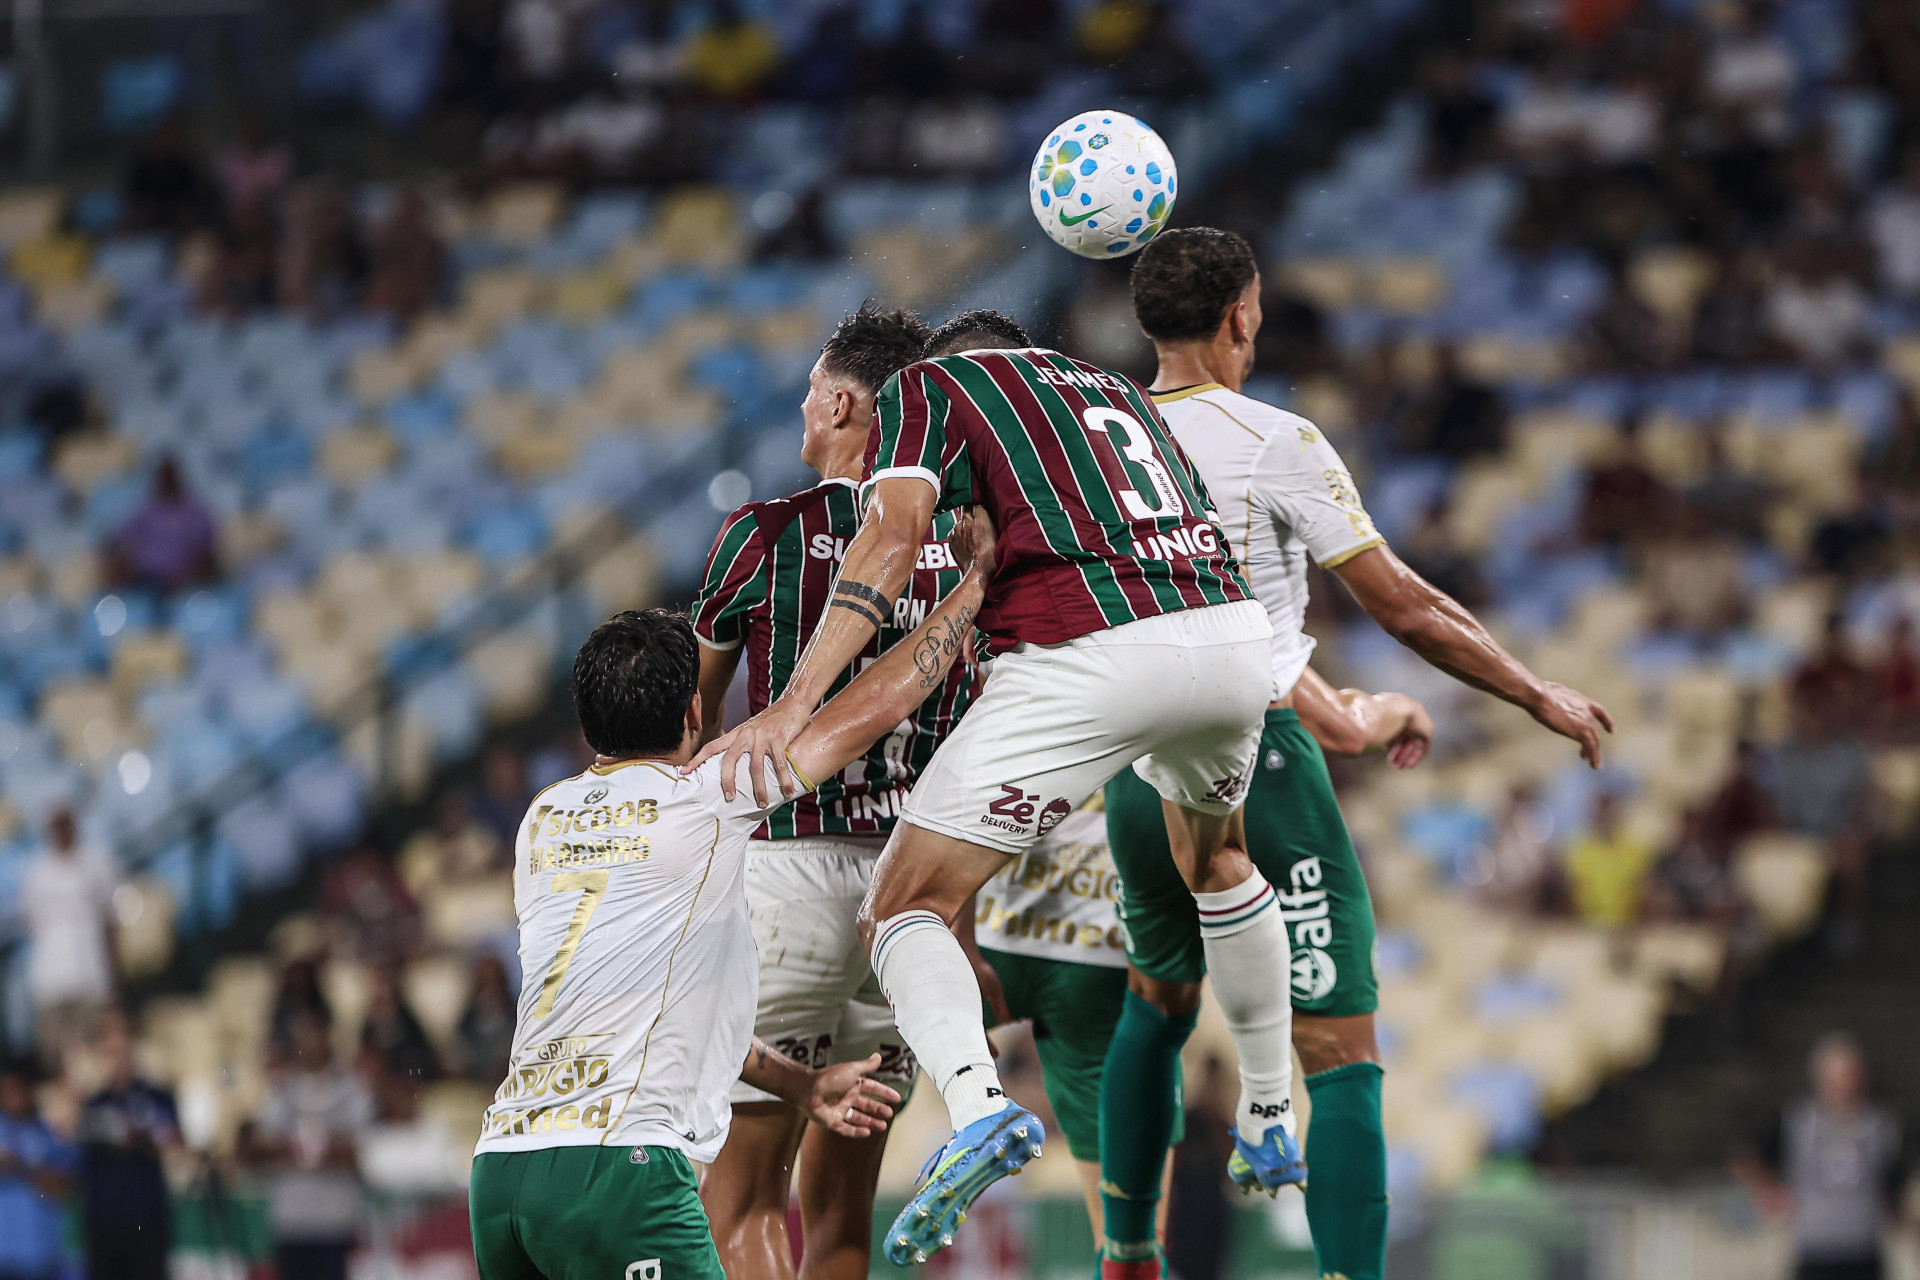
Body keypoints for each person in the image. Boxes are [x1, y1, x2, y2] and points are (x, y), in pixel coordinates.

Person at [696, 308, 1309, 1266]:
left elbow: (887, 545)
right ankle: (1270, 1108)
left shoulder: (920, 402)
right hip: (1228, 635)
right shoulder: (1113, 392)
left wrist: (791, 705)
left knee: (897, 913)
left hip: (1058, 666)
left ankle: (980, 1107)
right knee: (1222, 862)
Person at [1106, 226, 1611, 1280]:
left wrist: (1360, 716)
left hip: (1130, 763)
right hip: (1253, 758)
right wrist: (1533, 690)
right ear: (1243, 316)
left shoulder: (1093, 443)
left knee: (1156, 1002)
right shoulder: (1274, 439)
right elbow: (1406, 607)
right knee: (1338, 1052)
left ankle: (1126, 1257)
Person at [469, 507, 997, 1280]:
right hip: (620, 1169)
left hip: (501, 1172)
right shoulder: (707, 797)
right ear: (695, 713)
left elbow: (666, 1010)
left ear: (587, 724)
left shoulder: (542, 819)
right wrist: (973, 587)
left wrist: (802, 1085)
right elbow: (875, 709)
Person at [961, 666, 1430, 1255]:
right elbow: (1345, 724)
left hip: (1123, 791)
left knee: (1156, 1010)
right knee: (1338, 1046)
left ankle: (970, 1099)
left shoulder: (1034, 638)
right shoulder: (1238, 610)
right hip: (1253, 744)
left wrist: (962, 948)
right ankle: (1268, 1111)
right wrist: (1414, 708)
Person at [694, 304, 968, 1280]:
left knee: (741, 1205)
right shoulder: (966, 550)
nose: (804, 404)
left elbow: (693, 723)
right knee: (844, 1219)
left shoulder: (764, 534)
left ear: (844, 404)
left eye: (813, 387)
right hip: (909, 897)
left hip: (788, 878)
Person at [1735, 1034, 1907, 1280]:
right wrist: (1770, 1194)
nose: (1845, 1085)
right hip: (1816, 1249)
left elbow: (1893, 1182)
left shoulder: (1881, 1125)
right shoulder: (1798, 1121)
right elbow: (1746, 1157)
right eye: (1837, 1077)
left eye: (1851, 1075)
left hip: (1864, 1248)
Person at [245, 1011, 374, 1280]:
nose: (311, 1045)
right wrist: (319, 1147)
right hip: (291, 1219)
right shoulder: (281, 1088)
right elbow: (263, 1145)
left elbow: (357, 1148)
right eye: (305, 1038)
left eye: (316, 1036)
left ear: (328, 1039)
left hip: (334, 1220)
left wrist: (301, 1148)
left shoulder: (351, 1087)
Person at [76, 1011, 178, 1280]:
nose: (117, 1056)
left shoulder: (156, 1097)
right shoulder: (92, 1105)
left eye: (122, 1045)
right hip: (104, 1221)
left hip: (145, 1217)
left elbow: (174, 1142)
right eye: (110, 1048)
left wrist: (141, 1138)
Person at [21, 808, 119, 1069]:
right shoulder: (37, 873)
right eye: (56, 826)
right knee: (58, 1058)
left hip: (90, 975)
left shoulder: (97, 862)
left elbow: (108, 920)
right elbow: (32, 924)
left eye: (65, 825)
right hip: (50, 982)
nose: (62, 832)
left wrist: (112, 973)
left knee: (95, 1054)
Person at [109, 456, 220, 593]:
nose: (167, 481)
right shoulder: (146, 510)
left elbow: (208, 545)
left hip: (187, 578)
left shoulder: (195, 511)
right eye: (163, 477)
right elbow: (121, 538)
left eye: (170, 476)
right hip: (148, 577)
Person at [0, 1069, 72, 1280]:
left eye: (18, 1089)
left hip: (41, 1256)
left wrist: (21, 1168)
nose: (13, 1095)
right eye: (7, 1090)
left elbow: (63, 1187)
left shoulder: (48, 1133)